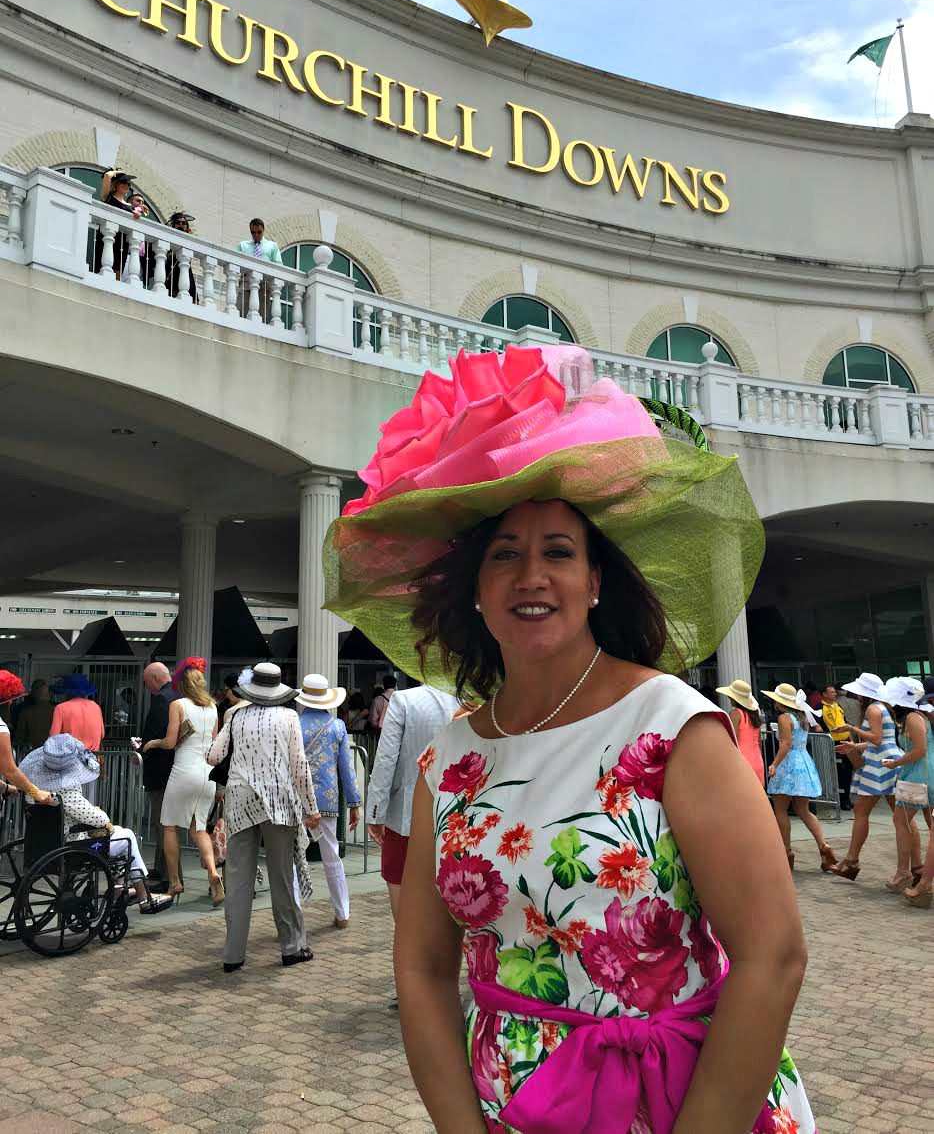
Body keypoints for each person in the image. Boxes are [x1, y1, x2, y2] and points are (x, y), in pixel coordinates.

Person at [324, 345, 815, 1133]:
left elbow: (773, 953)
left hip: (686, 1101)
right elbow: (420, 969)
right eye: (505, 556)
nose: (531, 576)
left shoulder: (672, 726)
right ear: (475, 592)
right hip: (510, 1111)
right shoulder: (445, 764)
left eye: (559, 551)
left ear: (595, 582)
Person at [206, 662, 320, 973]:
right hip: (279, 800)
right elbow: (299, 765)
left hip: (240, 800)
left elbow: (213, 757)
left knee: (239, 879)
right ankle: (292, 947)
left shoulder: (235, 715)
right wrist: (311, 807)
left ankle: (233, 954)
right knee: (282, 876)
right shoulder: (289, 717)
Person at [368, 682, 460, 1006]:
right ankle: (445, 978)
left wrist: (375, 809)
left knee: (404, 906)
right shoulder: (467, 698)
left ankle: (414, 982)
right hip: (456, 816)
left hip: (406, 815)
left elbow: (386, 757)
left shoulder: (404, 701)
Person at [19, 734, 173, 913]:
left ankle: (119, 889)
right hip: (71, 844)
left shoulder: (33, 789)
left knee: (116, 835)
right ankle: (143, 896)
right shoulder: (65, 791)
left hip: (44, 843)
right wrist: (101, 813)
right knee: (127, 836)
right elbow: (98, 819)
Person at [143, 657, 222, 906]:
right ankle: (212, 872)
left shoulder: (177, 704)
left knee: (168, 826)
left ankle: (175, 881)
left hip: (184, 770)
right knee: (198, 829)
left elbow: (169, 742)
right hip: (206, 773)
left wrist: (151, 743)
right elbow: (215, 740)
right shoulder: (212, 706)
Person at [293, 674, 361, 928]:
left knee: (293, 855)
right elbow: (346, 768)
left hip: (297, 796)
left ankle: (295, 912)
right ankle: (342, 912)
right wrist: (354, 802)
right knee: (331, 855)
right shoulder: (337, 727)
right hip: (327, 798)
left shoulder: (294, 724)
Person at [829, 671, 900, 881]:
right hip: (885, 761)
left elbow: (877, 739)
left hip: (879, 764)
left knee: (866, 811)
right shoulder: (882, 708)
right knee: (900, 815)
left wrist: (851, 728)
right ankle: (851, 860)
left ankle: (851, 861)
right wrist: (854, 745)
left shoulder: (872, 709)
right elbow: (881, 740)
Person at [763, 684, 837, 872]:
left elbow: (786, 743)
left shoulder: (784, 718)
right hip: (804, 762)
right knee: (803, 810)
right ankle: (824, 846)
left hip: (788, 763)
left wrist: (774, 764)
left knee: (780, 808)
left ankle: (786, 852)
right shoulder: (802, 717)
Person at [881, 677, 933, 892]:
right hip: (922, 772)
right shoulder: (920, 716)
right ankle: (919, 871)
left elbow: (919, 750)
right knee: (924, 823)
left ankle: (904, 871)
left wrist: (895, 763)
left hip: (919, 774)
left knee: (901, 820)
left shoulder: (913, 717)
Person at [140, 662, 179, 891]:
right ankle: (161, 867)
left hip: (161, 769)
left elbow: (160, 734)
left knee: (163, 823)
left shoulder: (163, 700)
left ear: (155, 678)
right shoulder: (176, 696)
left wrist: (145, 746)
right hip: (172, 768)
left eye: (146, 682)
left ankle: (168, 875)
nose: (146, 687)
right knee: (164, 823)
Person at [0, 670, 54, 803]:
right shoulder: (1, 728)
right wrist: (36, 793)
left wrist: (4, 786)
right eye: (12, 700)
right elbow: (10, 771)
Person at [50, 674, 104, 802]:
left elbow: (53, 737)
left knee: (70, 801)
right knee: (88, 802)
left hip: (70, 761)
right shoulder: (96, 707)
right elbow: (101, 734)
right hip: (92, 760)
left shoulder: (61, 708)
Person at [715, 678, 764, 784]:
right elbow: (759, 742)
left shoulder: (735, 713)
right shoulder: (754, 715)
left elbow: (732, 739)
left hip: (741, 760)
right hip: (757, 760)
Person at [92, 170, 138, 275]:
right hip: (107, 236)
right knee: (103, 268)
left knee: (117, 270)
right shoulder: (108, 197)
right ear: (115, 183)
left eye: (128, 183)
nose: (125, 185)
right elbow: (107, 176)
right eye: (122, 182)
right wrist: (118, 172)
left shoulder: (130, 206)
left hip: (122, 241)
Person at [818, 683, 852, 810]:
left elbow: (844, 720)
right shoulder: (820, 708)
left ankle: (846, 797)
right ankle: (840, 799)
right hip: (832, 743)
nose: (835, 694)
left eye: (834, 692)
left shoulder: (838, 706)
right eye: (832, 692)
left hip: (846, 741)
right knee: (839, 771)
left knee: (848, 770)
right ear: (824, 694)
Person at [165, 212, 198, 301]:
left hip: (184, 272)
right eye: (178, 223)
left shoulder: (188, 239)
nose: (180, 224)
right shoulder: (167, 237)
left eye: (183, 223)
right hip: (170, 270)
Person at [15, 679, 55, 752]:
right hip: (53, 753)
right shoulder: (56, 711)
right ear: (48, 695)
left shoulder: (26, 712)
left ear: (33, 694)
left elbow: (18, 739)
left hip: (32, 753)